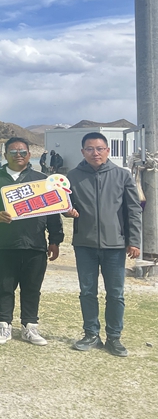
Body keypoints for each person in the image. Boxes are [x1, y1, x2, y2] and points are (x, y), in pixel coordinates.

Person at [65, 132, 142, 357]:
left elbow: (133, 210)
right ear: (83, 152)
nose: (95, 153)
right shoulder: (72, 176)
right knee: (87, 291)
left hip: (115, 245)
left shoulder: (122, 175)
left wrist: (133, 241)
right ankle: (91, 334)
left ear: (107, 150)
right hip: (85, 244)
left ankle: (114, 337)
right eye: (90, 149)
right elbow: (64, 205)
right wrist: (68, 212)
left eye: (99, 148)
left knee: (115, 294)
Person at [0, 138, 63, 346]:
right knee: (5, 286)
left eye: (22, 152)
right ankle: (4, 324)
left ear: (29, 154)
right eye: (13, 152)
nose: (18, 155)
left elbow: (53, 212)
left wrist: (55, 240)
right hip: (4, 244)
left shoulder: (41, 181)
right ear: (5, 155)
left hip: (35, 244)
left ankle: (30, 326)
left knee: (32, 288)